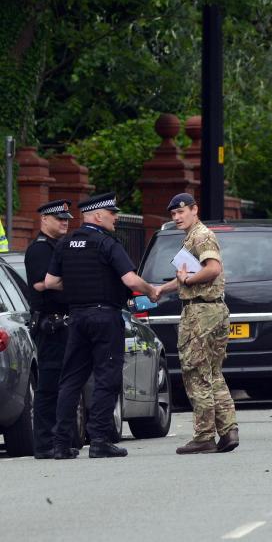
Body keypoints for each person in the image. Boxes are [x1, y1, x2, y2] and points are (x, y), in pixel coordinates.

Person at [44, 192, 159, 459]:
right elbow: (131, 281)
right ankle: (99, 440)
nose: (116, 218)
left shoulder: (65, 243)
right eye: (112, 214)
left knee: (71, 379)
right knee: (107, 378)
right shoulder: (106, 243)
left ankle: (61, 443)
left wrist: (74, 286)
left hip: (77, 318)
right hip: (105, 318)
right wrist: (151, 291)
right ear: (97, 216)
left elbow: (50, 282)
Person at [154, 193, 238, 454]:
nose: (177, 217)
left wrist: (188, 281)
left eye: (181, 212)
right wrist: (163, 289)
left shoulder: (201, 236)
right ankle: (228, 430)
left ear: (194, 210)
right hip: (212, 310)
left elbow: (212, 269)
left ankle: (204, 436)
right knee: (212, 372)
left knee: (195, 372)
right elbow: (186, 275)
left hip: (200, 314)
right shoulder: (194, 237)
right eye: (173, 214)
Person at [25, 200, 75, 459]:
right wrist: (78, 284)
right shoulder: (40, 250)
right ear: (44, 219)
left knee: (63, 384)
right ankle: (45, 443)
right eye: (59, 218)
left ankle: (59, 440)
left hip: (64, 323)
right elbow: (41, 284)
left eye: (66, 218)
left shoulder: (59, 246)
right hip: (51, 325)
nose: (65, 222)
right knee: (49, 386)